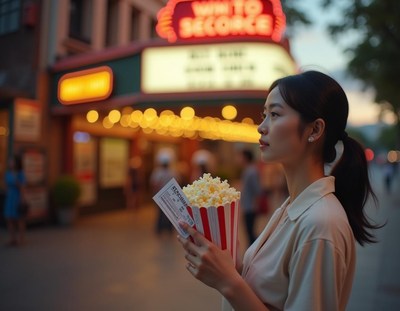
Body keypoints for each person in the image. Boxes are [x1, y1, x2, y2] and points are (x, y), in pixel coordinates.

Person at [178, 71, 381, 311]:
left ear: (315, 130)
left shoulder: (320, 223)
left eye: (274, 114)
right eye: (264, 115)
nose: (261, 127)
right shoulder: (292, 206)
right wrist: (231, 265)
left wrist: (228, 282)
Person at [3, 155, 27, 246]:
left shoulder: (20, 173)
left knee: (19, 219)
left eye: (12, 161)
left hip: (17, 196)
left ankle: (21, 239)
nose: (10, 163)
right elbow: (6, 186)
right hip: (10, 196)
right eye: (9, 161)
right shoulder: (7, 173)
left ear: (16, 162)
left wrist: (22, 199)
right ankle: (12, 239)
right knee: (9, 218)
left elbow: (22, 187)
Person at [239, 148, 261, 245]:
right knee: (249, 232)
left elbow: (257, 189)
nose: (239, 159)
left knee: (250, 232)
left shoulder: (251, 171)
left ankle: (254, 251)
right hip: (248, 205)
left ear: (245, 157)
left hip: (251, 206)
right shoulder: (248, 170)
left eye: (240, 156)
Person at [150, 157, 176, 235]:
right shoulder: (172, 171)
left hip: (161, 194)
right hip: (169, 194)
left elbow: (154, 184)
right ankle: (168, 228)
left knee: (161, 212)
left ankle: (160, 228)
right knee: (169, 211)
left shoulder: (157, 172)